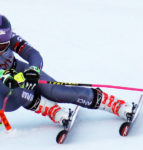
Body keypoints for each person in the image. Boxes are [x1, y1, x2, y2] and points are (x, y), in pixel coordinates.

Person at [0, 14, 133, 126]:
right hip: (4, 96)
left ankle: (114, 104)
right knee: (16, 89)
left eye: (6, 45)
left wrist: (34, 70)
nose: (4, 49)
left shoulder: (8, 37)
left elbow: (33, 54)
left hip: (16, 69)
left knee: (58, 92)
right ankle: (52, 110)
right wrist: (11, 77)